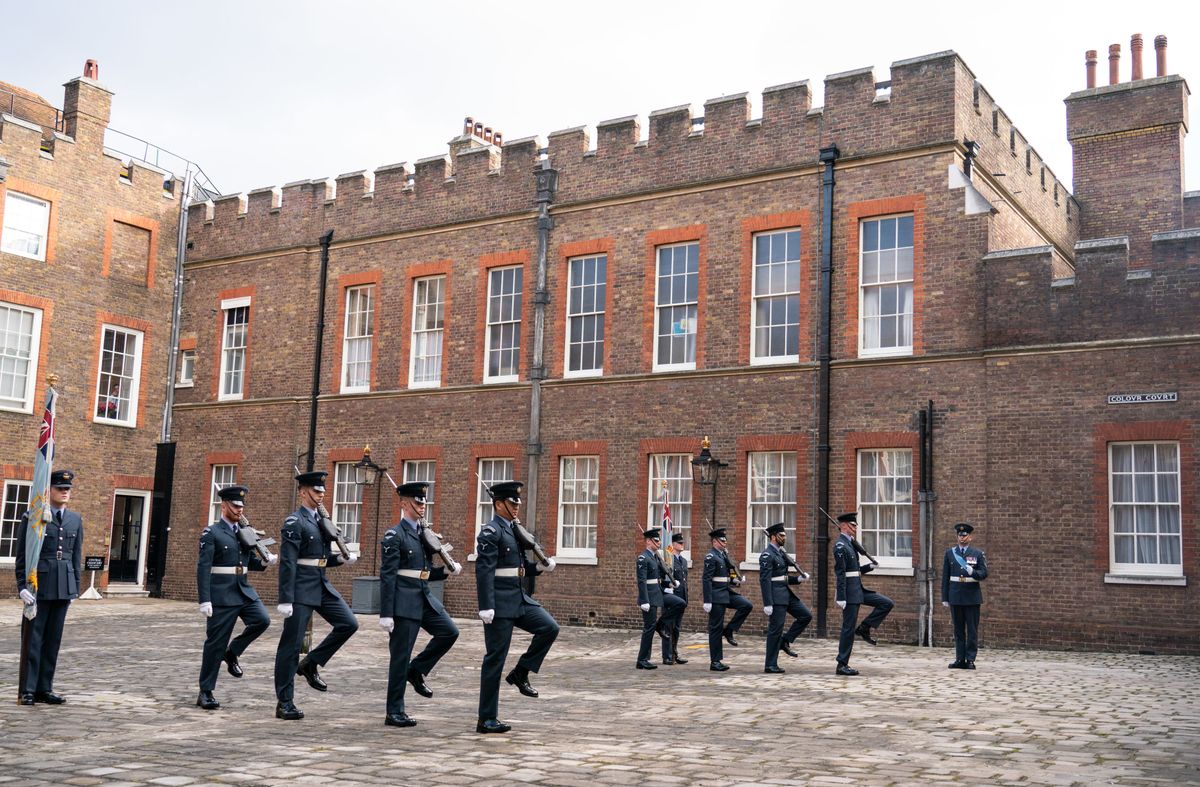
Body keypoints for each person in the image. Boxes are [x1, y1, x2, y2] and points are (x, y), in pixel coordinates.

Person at [273, 470, 359, 720]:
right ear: (303, 492)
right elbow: (288, 562)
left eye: (322, 491)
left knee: (348, 624)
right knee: (290, 646)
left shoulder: (322, 521)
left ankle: (311, 663)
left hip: (320, 584)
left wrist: (340, 559)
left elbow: (319, 559)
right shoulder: (294, 522)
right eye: (316, 490)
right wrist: (285, 598)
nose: (321, 495)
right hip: (300, 587)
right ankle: (284, 702)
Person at [475, 480, 559, 734]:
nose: (516, 507)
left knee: (549, 628)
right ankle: (486, 718)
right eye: (512, 503)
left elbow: (518, 568)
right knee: (495, 659)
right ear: (499, 504)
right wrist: (486, 605)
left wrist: (539, 568)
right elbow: (485, 571)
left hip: (519, 597)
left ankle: (521, 672)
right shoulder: (491, 532)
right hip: (499, 603)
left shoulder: (514, 529)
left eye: (517, 503)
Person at [378, 481, 462, 727]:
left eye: (424, 502)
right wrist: (386, 613)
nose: (422, 506)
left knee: (449, 632)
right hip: (404, 601)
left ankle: (417, 670)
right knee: (400, 657)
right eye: (417, 502)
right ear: (404, 504)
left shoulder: (423, 534)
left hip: (424, 597)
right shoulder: (395, 535)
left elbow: (422, 571)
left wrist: (445, 570)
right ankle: (394, 711)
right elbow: (389, 575)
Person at [195, 484, 276, 710]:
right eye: (235, 506)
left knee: (262, 620)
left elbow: (248, 562)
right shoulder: (212, 533)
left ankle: (232, 653)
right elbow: (203, 567)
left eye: (241, 506)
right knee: (215, 643)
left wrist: (265, 562)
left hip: (243, 590)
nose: (239, 510)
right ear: (224, 506)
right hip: (221, 593)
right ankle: (206, 691)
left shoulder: (244, 532)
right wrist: (205, 599)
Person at [15, 470, 81, 706]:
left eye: (68, 489)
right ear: (49, 490)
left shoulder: (75, 519)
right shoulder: (33, 516)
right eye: (60, 488)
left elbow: (76, 555)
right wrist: (22, 585)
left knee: (53, 640)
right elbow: (23, 554)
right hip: (38, 585)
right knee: (33, 639)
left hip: (63, 585)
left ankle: (45, 687)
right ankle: (28, 689)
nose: (64, 492)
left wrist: (75, 588)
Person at [833, 512, 894, 675]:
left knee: (886, 603)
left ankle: (865, 628)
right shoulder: (840, 546)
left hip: (858, 589)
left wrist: (869, 567)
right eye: (852, 525)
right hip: (849, 593)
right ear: (844, 526)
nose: (855, 528)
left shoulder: (850, 544)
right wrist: (841, 596)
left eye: (855, 525)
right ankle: (842, 664)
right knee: (848, 628)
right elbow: (841, 573)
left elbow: (855, 571)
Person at [758, 522, 812, 673]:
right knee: (775, 629)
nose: (784, 538)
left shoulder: (780, 553)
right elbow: (765, 580)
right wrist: (767, 602)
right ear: (773, 537)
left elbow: (783, 577)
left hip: (786, 594)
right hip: (776, 597)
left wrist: (798, 580)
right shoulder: (767, 555)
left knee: (805, 616)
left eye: (784, 535)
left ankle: (785, 640)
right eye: (781, 535)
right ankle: (770, 664)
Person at [700, 527, 752, 671]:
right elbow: (707, 579)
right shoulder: (711, 556)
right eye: (722, 540)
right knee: (715, 628)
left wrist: (736, 581)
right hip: (716, 595)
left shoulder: (722, 555)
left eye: (725, 540)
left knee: (746, 605)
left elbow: (725, 576)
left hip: (726, 591)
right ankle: (715, 661)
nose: (725, 542)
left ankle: (729, 630)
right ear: (715, 541)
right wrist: (707, 600)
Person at [942, 522, 988, 669]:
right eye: (959, 535)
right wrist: (945, 597)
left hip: (971, 597)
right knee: (958, 630)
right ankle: (959, 659)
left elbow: (984, 573)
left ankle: (970, 659)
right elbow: (945, 577)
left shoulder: (977, 554)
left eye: (965, 535)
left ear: (970, 537)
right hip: (955, 595)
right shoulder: (950, 553)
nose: (962, 538)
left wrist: (973, 572)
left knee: (972, 630)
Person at [635, 528, 665, 670]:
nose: (659, 543)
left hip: (656, 595)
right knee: (649, 628)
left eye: (659, 540)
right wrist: (644, 600)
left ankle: (645, 658)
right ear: (648, 541)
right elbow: (642, 581)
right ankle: (642, 659)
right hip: (648, 597)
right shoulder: (643, 557)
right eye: (656, 540)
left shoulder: (654, 557)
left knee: (651, 627)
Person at [660, 532, 689, 665]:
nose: (682, 545)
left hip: (681, 598)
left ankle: (674, 653)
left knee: (676, 628)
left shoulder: (683, 561)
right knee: (667, 627)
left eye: (682, 543)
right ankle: (667, 656)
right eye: (679, 543)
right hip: (671, 597)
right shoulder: (668, 559)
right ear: (673, 544)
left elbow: (684, 581)